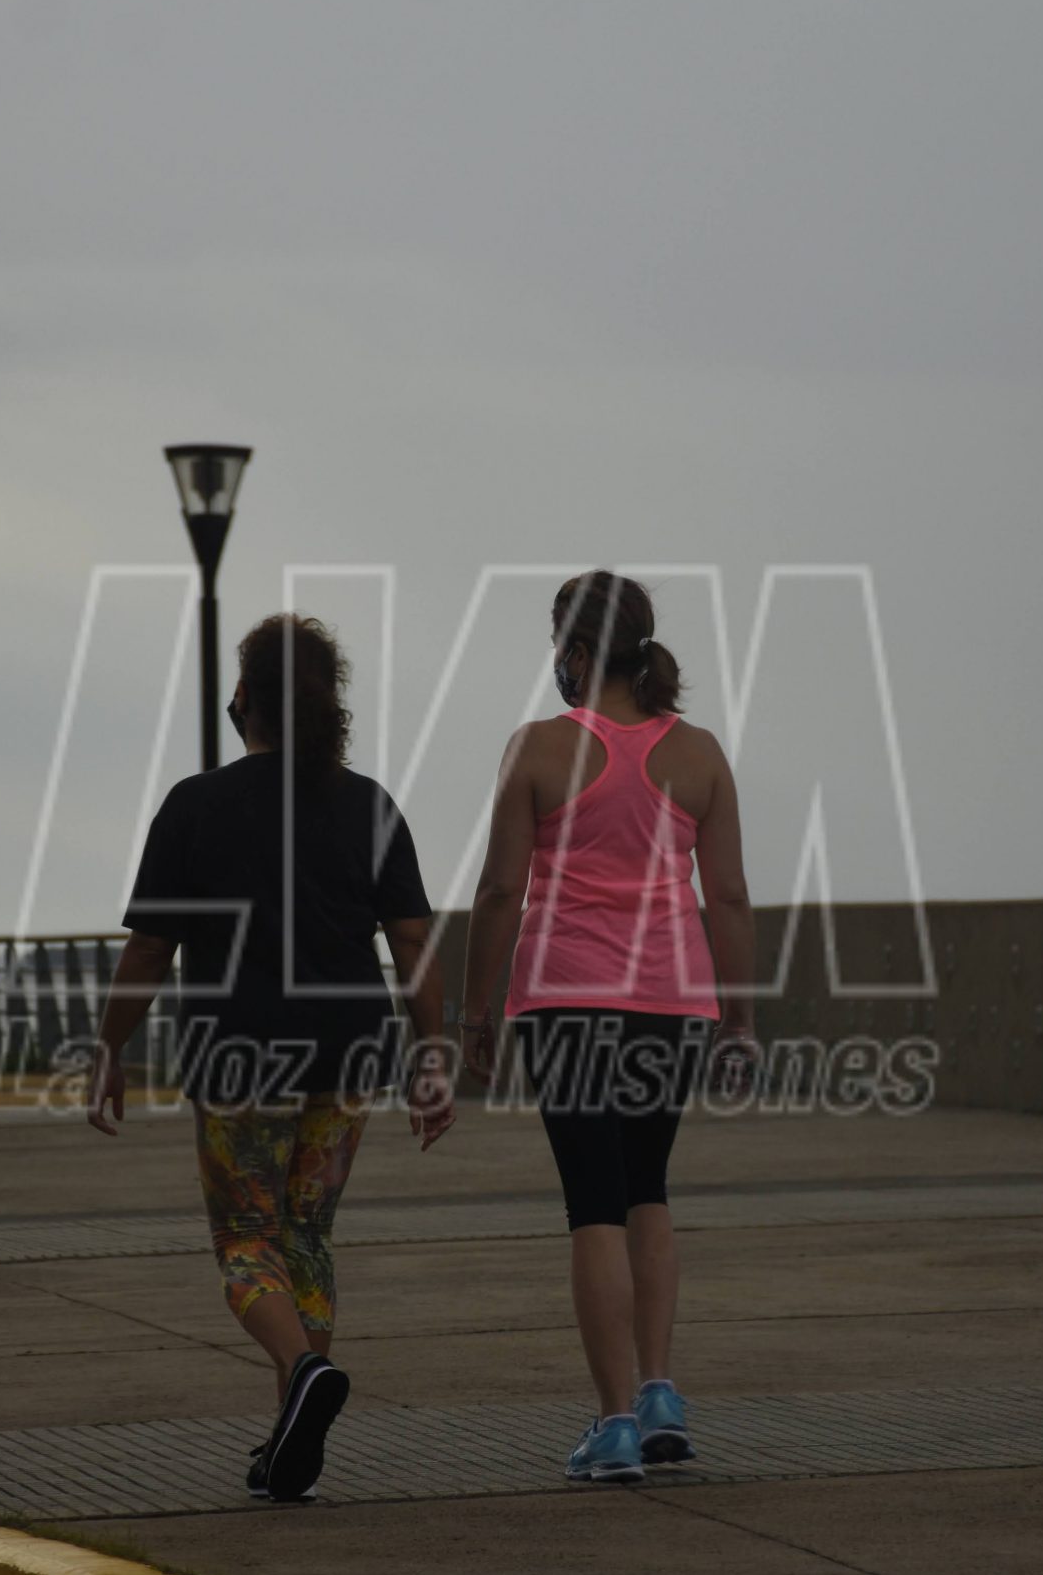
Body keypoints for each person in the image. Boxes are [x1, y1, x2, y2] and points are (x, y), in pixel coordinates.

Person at [87, 613, 453, 1504]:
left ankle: (302, 1374)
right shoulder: (368, 804)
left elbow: (147, 951)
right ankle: (295, 1430)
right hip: (350, 1051)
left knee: (247, 1243)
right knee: (306, 1237)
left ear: (242, 700)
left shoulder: (197, 804)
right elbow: (414, 943)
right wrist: (433, 1053)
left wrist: (108, 1048)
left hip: (242, 1051)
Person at [461, 570, 756, 1483]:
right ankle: (662, 1391)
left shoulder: (541, 748)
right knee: (648, 1192)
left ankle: (615, 1421)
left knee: (592, 1204)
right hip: (673, 1003)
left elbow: (502, 890)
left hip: (569, 1000)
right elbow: (732, 896)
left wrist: (477, 1013)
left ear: (578, 652)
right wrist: (739, 1018)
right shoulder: (698, 752)